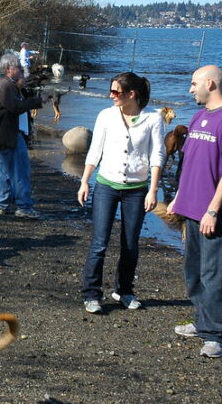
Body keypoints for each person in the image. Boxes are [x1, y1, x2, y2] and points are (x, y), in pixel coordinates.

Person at [77, 72, 164, 315]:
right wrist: (85, 181)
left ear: (131, 94)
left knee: (130, 244)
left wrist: (153, 189)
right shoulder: (106, 116)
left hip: (137, 189)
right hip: (106, 185)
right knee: (99, 243)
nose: (111, 95)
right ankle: (92, 293)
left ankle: (124, 290)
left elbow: (157, 155)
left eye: (115, 91)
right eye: (112, 91)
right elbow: (95, 151)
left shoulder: (153, 119)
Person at [168, 64, 222, 358]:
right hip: (189, 208)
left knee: (213, 273)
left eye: (194, 83)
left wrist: (213, 210)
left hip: (212, 214)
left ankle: (215, 334)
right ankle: (203, 322)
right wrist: (177, 197)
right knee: (193, 272)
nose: (190, 89)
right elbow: (188, 163)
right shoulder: (199, 116)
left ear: (211, 84)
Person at [0, 53, 46, 219]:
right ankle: (23, 206)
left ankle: (2, 204)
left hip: (3, 134)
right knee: (19, 172)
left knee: (4, 171)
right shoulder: (6, 86)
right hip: (10, 135)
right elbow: (16, 107)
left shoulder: (4, 84)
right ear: (8, 69)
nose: (21, 70)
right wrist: (39, 101)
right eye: (18, 67)